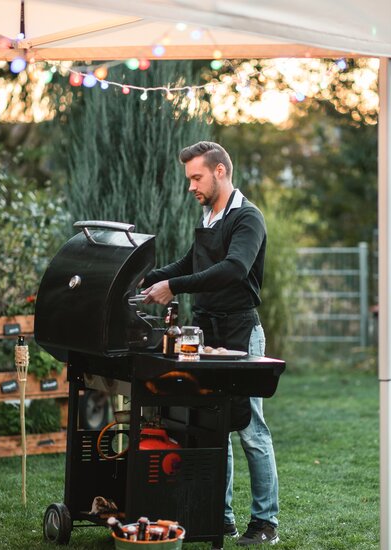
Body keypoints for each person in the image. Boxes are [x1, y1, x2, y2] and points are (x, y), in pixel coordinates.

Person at [141, 141, 280, 546]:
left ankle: (265, 523)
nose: (191, 187)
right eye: (189, 179)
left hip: (240, 332)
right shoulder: (208, 215)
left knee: (250, 428)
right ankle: (221, 519)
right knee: (213, 424)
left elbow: (234, 270)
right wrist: (149, 278)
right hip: (205, 332)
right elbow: (191, 264)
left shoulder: (248, 218)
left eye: (196, 177)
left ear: (220, 171)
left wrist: (174, 287)